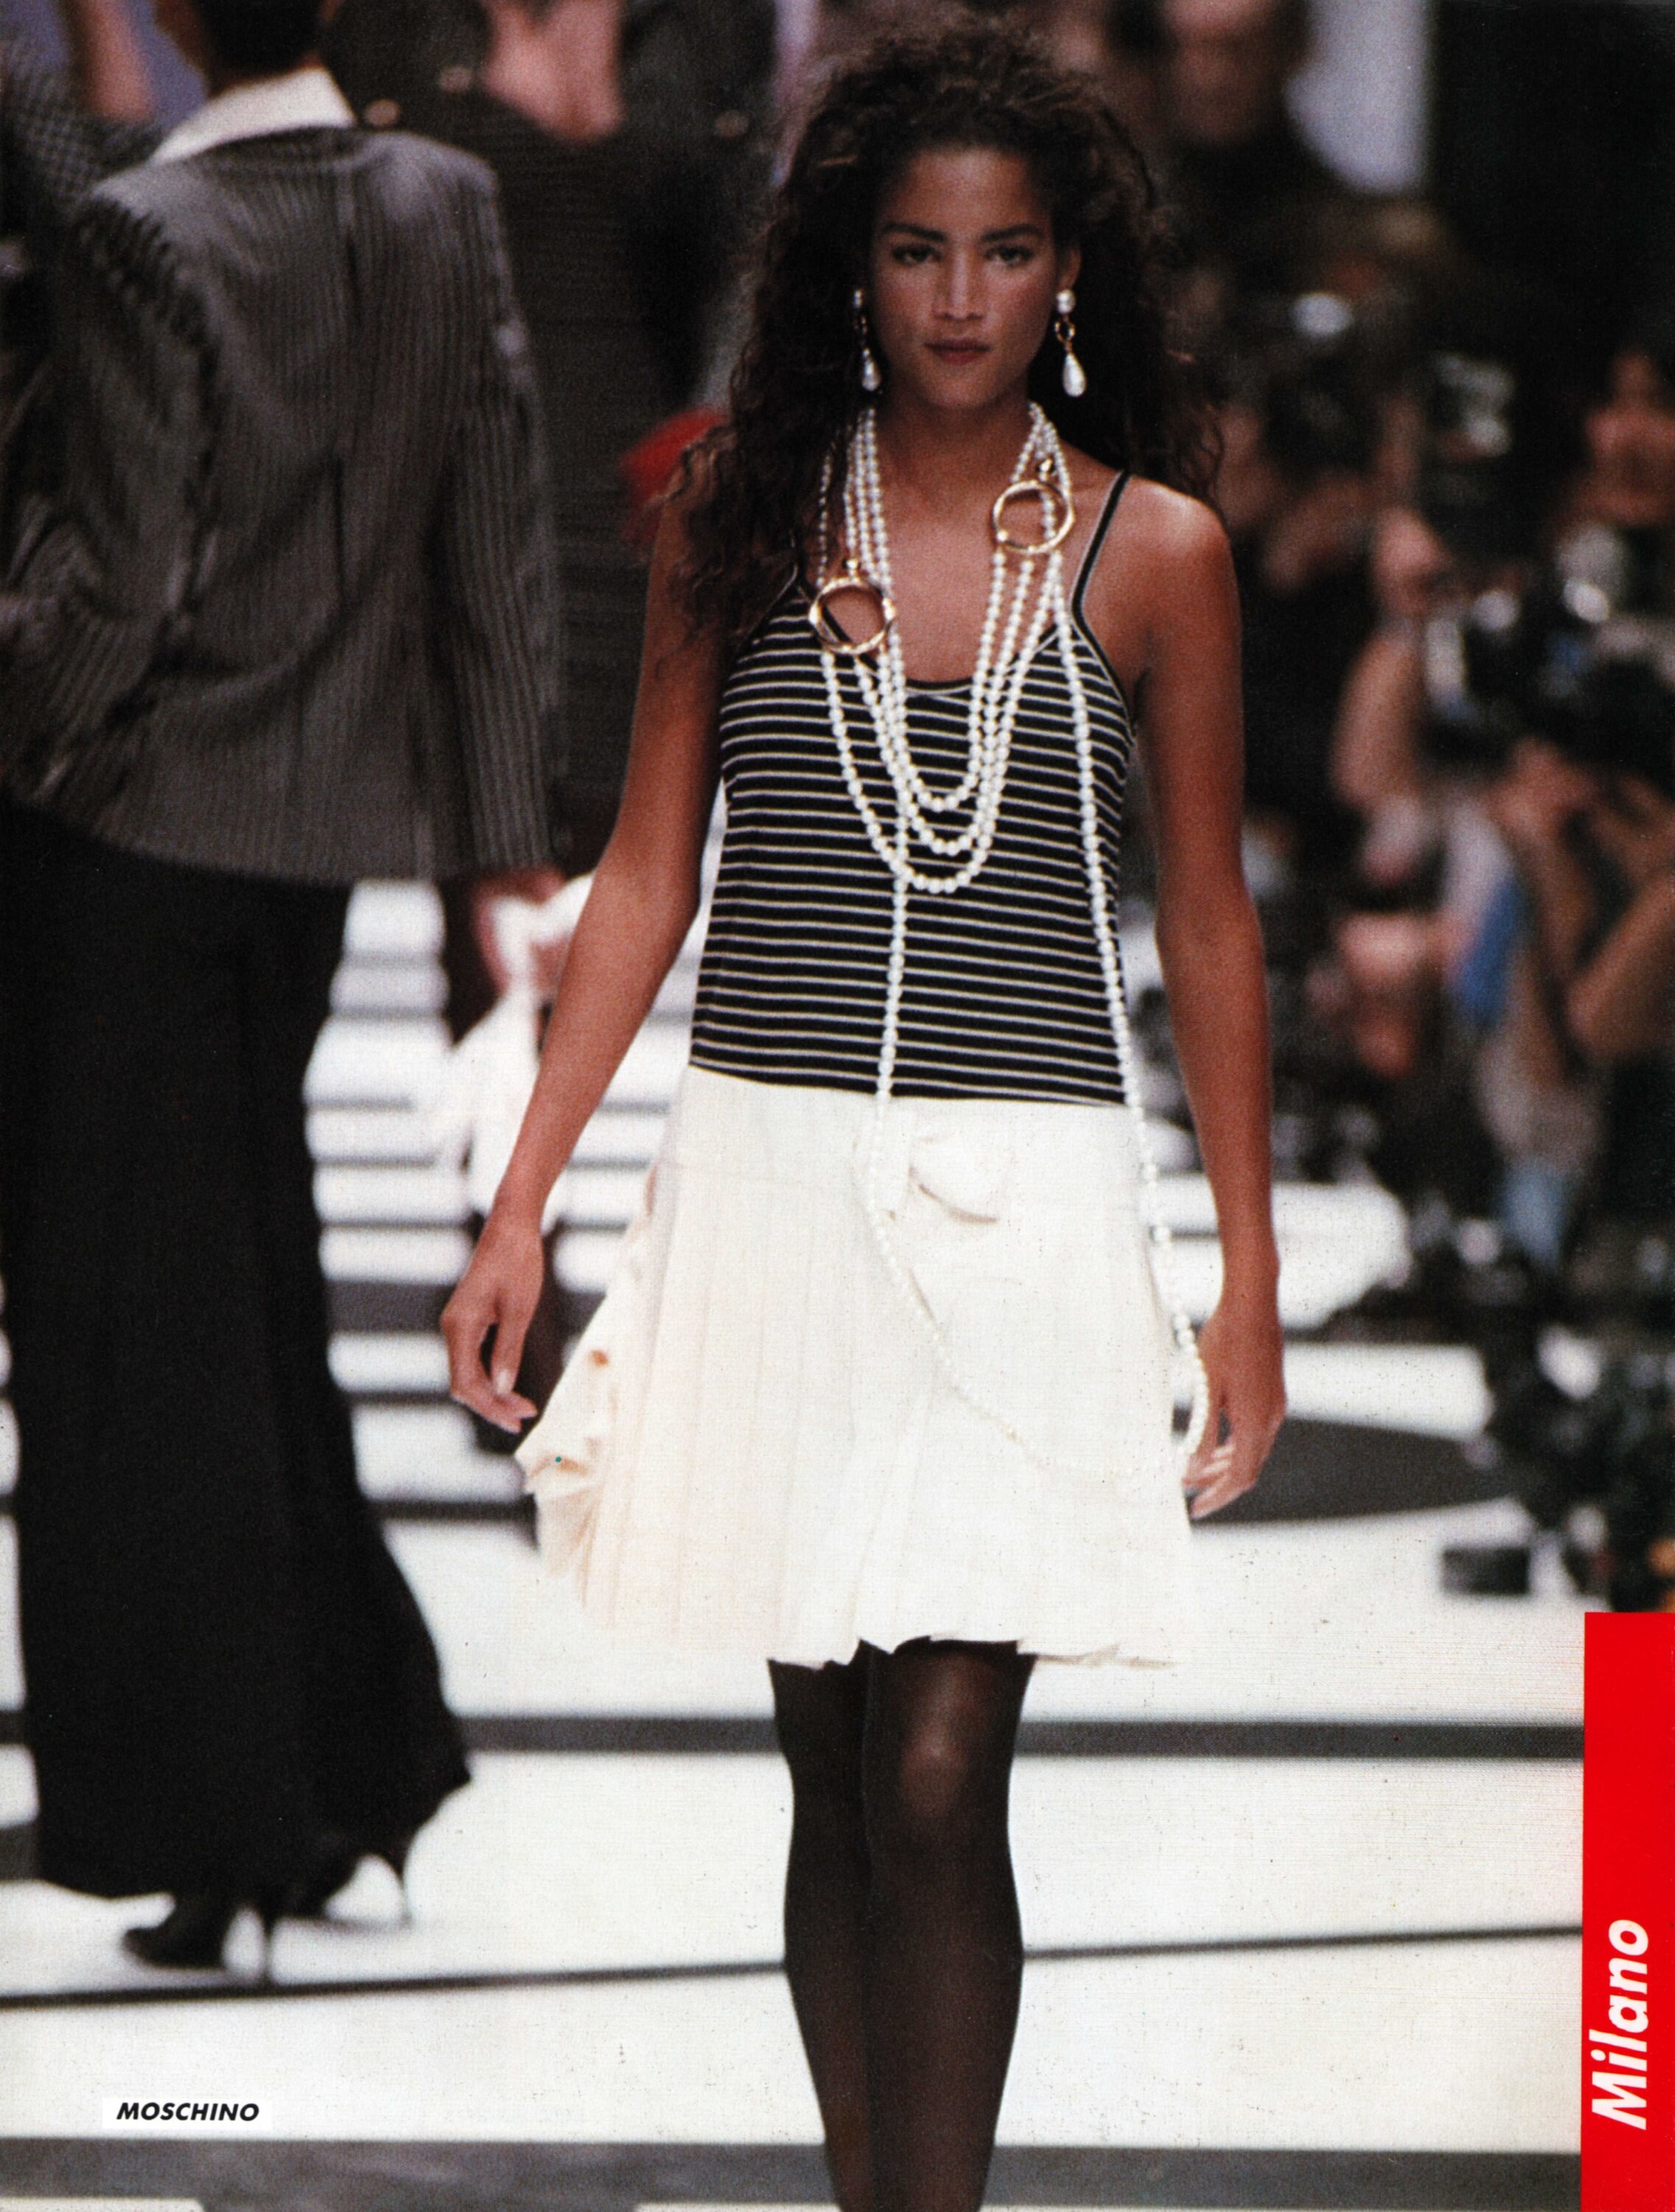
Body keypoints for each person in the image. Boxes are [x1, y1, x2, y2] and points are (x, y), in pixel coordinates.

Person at [443, 19, 1283, 2210]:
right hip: (772, 1185)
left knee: (935, 1774)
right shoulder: (737, 510)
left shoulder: (1157, 553)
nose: (961, 298)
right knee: (831, 1765)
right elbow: (651, 874)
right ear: (853, 266)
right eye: (917, 250)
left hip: (1033, 1199)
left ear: (1069, 270)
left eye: (1005, 253)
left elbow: (1207, 924)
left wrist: (1248, 1281)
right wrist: (524, 1205)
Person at [0, 0, 561, 1967]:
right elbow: (493, 553)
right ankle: (340, 1776)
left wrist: (13, 711)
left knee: (126, 1339)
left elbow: (122, 584)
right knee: (238, 1297)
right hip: (315, 853)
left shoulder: (144, 230)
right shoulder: (441, 204)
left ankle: (230, 1816)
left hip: (125, 839)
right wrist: (499, 854)